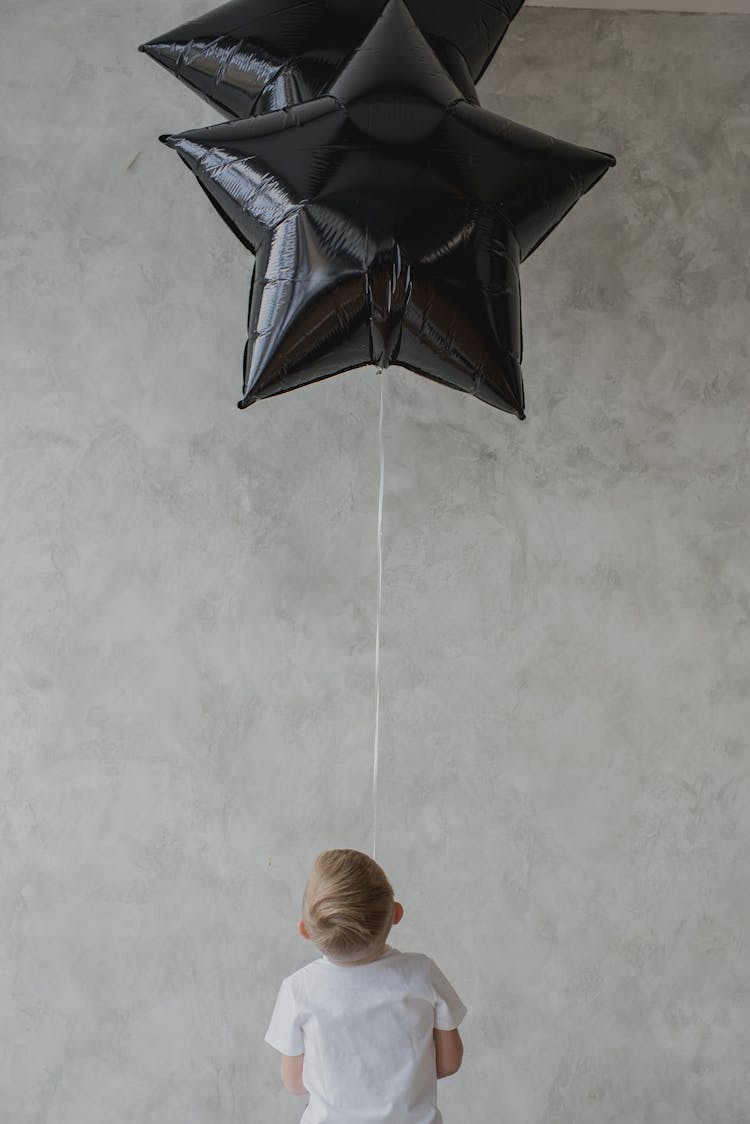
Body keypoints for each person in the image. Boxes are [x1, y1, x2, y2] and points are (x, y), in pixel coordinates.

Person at [265, 848, 466, 1124]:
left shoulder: (298, 989)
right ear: (396, 913)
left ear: (305, 930)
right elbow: (449, 1062)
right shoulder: (422, 974)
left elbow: (294, 1082)